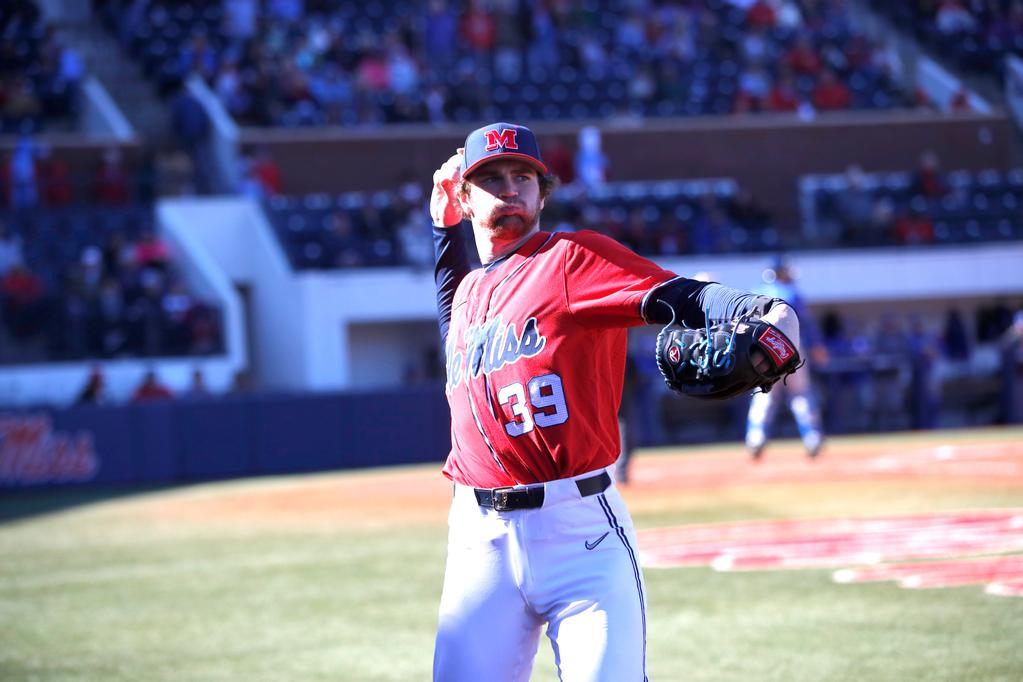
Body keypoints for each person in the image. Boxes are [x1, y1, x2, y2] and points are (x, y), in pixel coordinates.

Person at [429, 121, 802, 681]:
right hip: (477, 539)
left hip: (579, 531)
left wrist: (763, 313)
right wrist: (442, 228)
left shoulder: (571, 260)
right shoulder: (470, 293)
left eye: (523, 176)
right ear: (464, 193)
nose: (510, 188)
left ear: (542, 190)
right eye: (491, 178)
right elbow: (451, 296)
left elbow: (677, 294)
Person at [745, 256, 825, 460]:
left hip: (761, 352)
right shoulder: (791, 293)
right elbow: (806, 324)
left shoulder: (754, 292)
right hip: (791, 348)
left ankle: (756, 438)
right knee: (800, 394)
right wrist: (817, 347)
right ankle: (812, 437)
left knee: (764, 395)